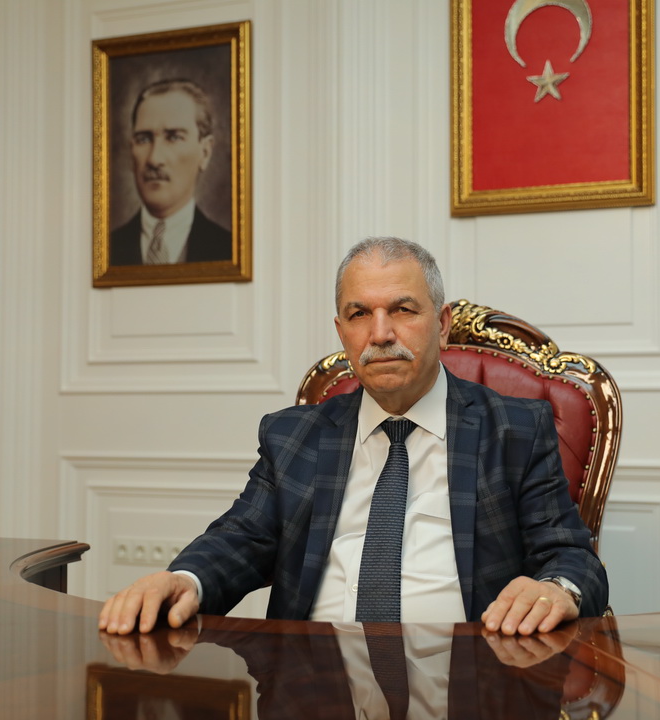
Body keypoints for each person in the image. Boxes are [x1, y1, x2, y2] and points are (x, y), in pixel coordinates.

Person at [99, 237, 608, 637]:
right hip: (312, 684)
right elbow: (241, 539)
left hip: (471, 682)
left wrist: (556, 588)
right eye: (359, 313)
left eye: (403, 309)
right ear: (341, 331)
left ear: (442, 324)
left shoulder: (515, 429)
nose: (380, 333)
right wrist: (183, 580)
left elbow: (572, 557)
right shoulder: (294, 436)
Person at [109, 78, 232, 265]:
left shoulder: (230, 250)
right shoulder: (102, 251)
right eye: (143, 139)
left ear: (205, 152)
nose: (154, 159)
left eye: (174, 137)